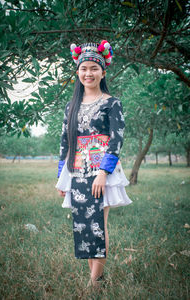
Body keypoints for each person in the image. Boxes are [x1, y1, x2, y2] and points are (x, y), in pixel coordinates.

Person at [56, 41, 133, 288]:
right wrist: (62, 177)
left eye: (93, 68)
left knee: (98, 222)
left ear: (103, 72)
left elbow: (117, 139)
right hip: (77, 169)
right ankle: (96, 279)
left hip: (102, 170)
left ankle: (95, 281)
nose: (88, 73)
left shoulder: (112, 103)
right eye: (83, 69)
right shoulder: (71, 105)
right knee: (83, 223)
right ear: (77, 72)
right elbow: (65, 142)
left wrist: (103, 172)